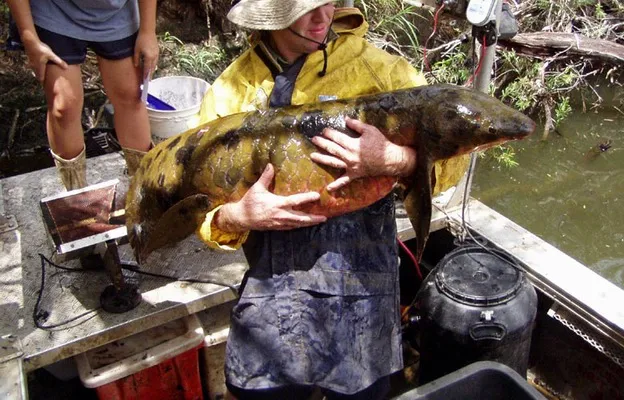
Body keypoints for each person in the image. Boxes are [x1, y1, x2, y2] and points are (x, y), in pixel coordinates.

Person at [195, 1, 469, 398]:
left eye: (328, 3)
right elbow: (196, 205)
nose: (321, 18)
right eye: (305, 8)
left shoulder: (383, 73)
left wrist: (393, 159)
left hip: (363, 292)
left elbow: (454, 162)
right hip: (272, 295)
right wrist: (237, 216)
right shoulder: (231, 91)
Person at [6, 0, 158, 190]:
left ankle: (144, 190)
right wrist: (29, 37)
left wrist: (148, 32)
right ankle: (77, 199)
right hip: (53, 9)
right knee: (64, 104)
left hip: (117, 12)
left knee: (130, 95)